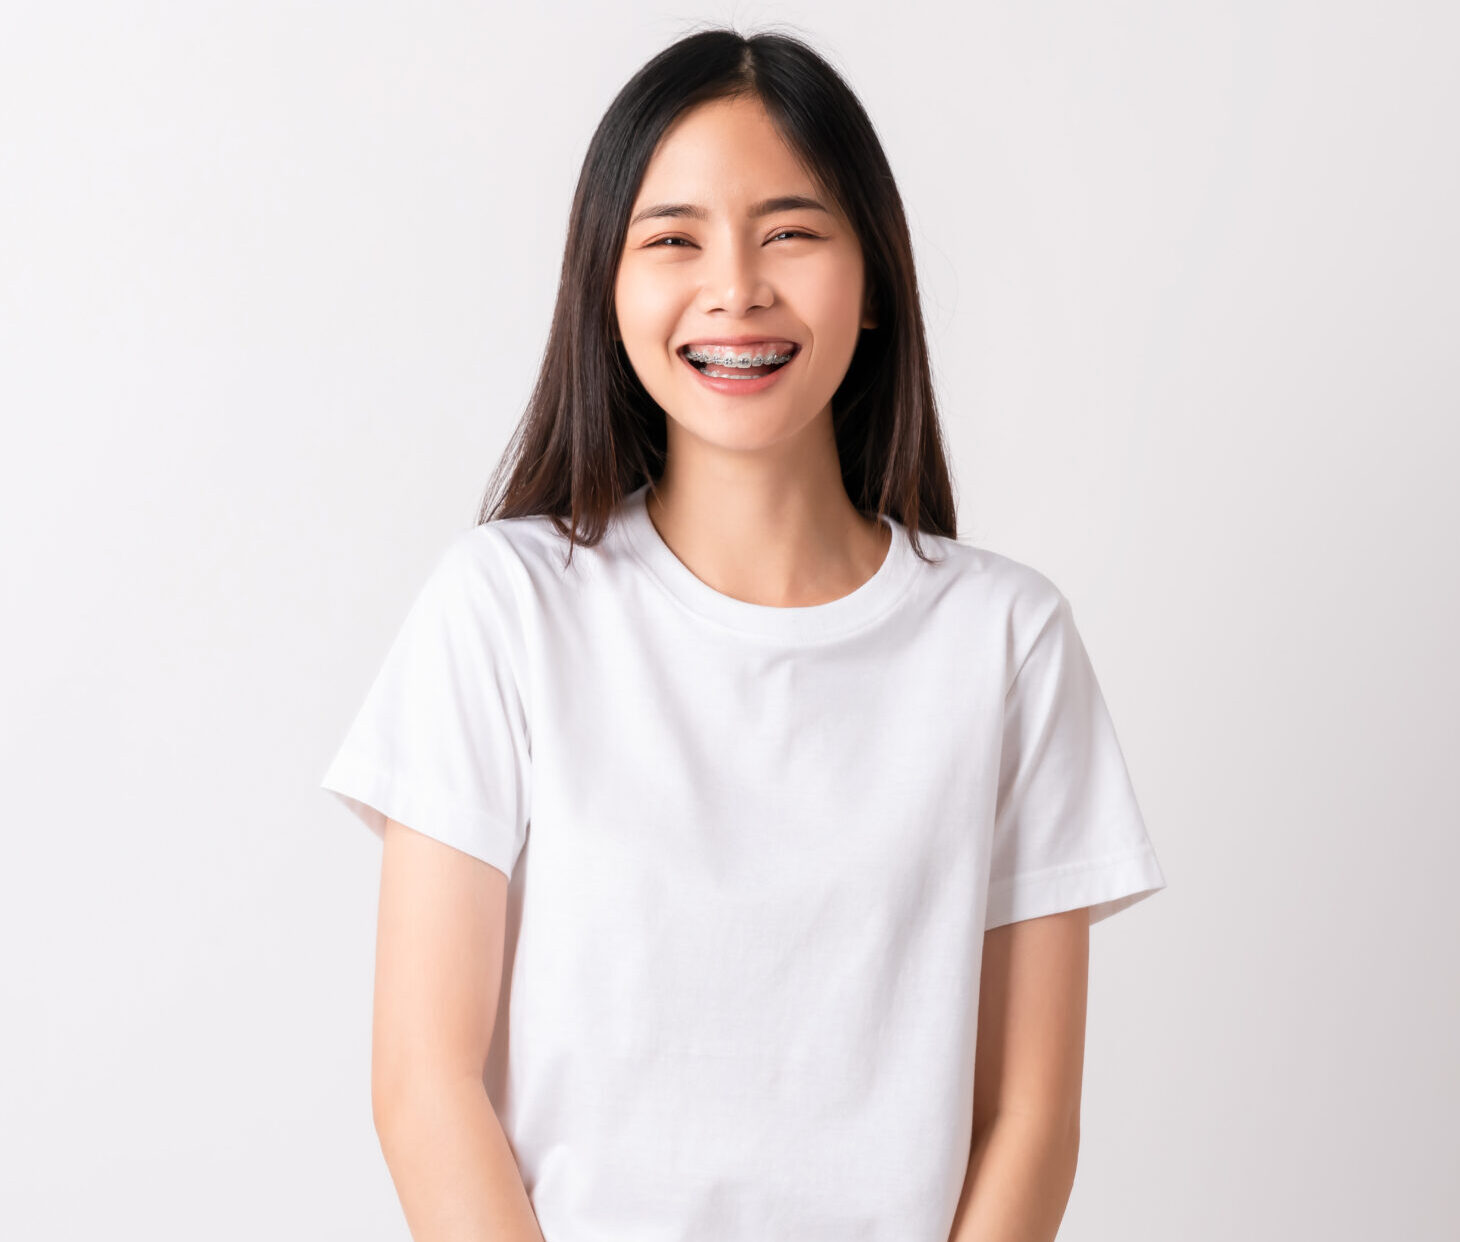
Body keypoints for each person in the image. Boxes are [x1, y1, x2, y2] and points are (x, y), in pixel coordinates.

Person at [320, 25, 1167, 1242]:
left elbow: (1025, 1119)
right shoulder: (503, 607)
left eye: (789, 233)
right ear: (605, 289)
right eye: (672, 239)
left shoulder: (1004, 643)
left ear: (872, 283)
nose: (735, 288)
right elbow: (423, 1086)